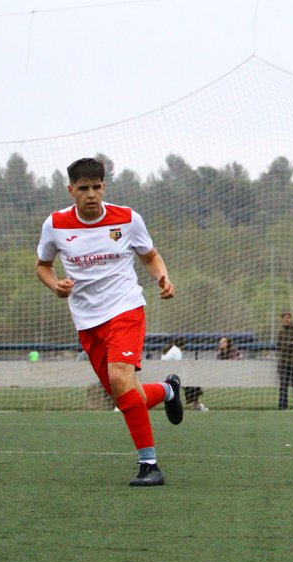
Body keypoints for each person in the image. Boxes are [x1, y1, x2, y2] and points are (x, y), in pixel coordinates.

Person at [35, 157, 182, 487]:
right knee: (126, 395)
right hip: (87, 320)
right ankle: (169, 391)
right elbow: (42, 265)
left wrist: (162, 277)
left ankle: (150, 466)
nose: (91, 194)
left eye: (97, 187)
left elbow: (150, 256)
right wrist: (54, 283)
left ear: (104, 187)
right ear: (71, 190)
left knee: (120, 379)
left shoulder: (127, 219)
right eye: (83, 188)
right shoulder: (55, 224)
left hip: (126, 308)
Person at [162, 337, 207, 411]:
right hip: (169, 375)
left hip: (166, 372)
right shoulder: (176, 350)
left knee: (191, 383)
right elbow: (179, 366)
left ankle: (196, 403)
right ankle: (196, 404)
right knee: (193, 383)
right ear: (183, 344)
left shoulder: (173, 349)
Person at [276, 311, 293, 410]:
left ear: (291, 319)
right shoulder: (280, 333)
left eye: (288, 317)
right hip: (283, 363)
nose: (287, 320)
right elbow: (280, 347)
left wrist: (288, 345)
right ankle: (282, 407)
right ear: (282, 320)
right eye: (285, 318)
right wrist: (289, 344)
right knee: (283, 386)